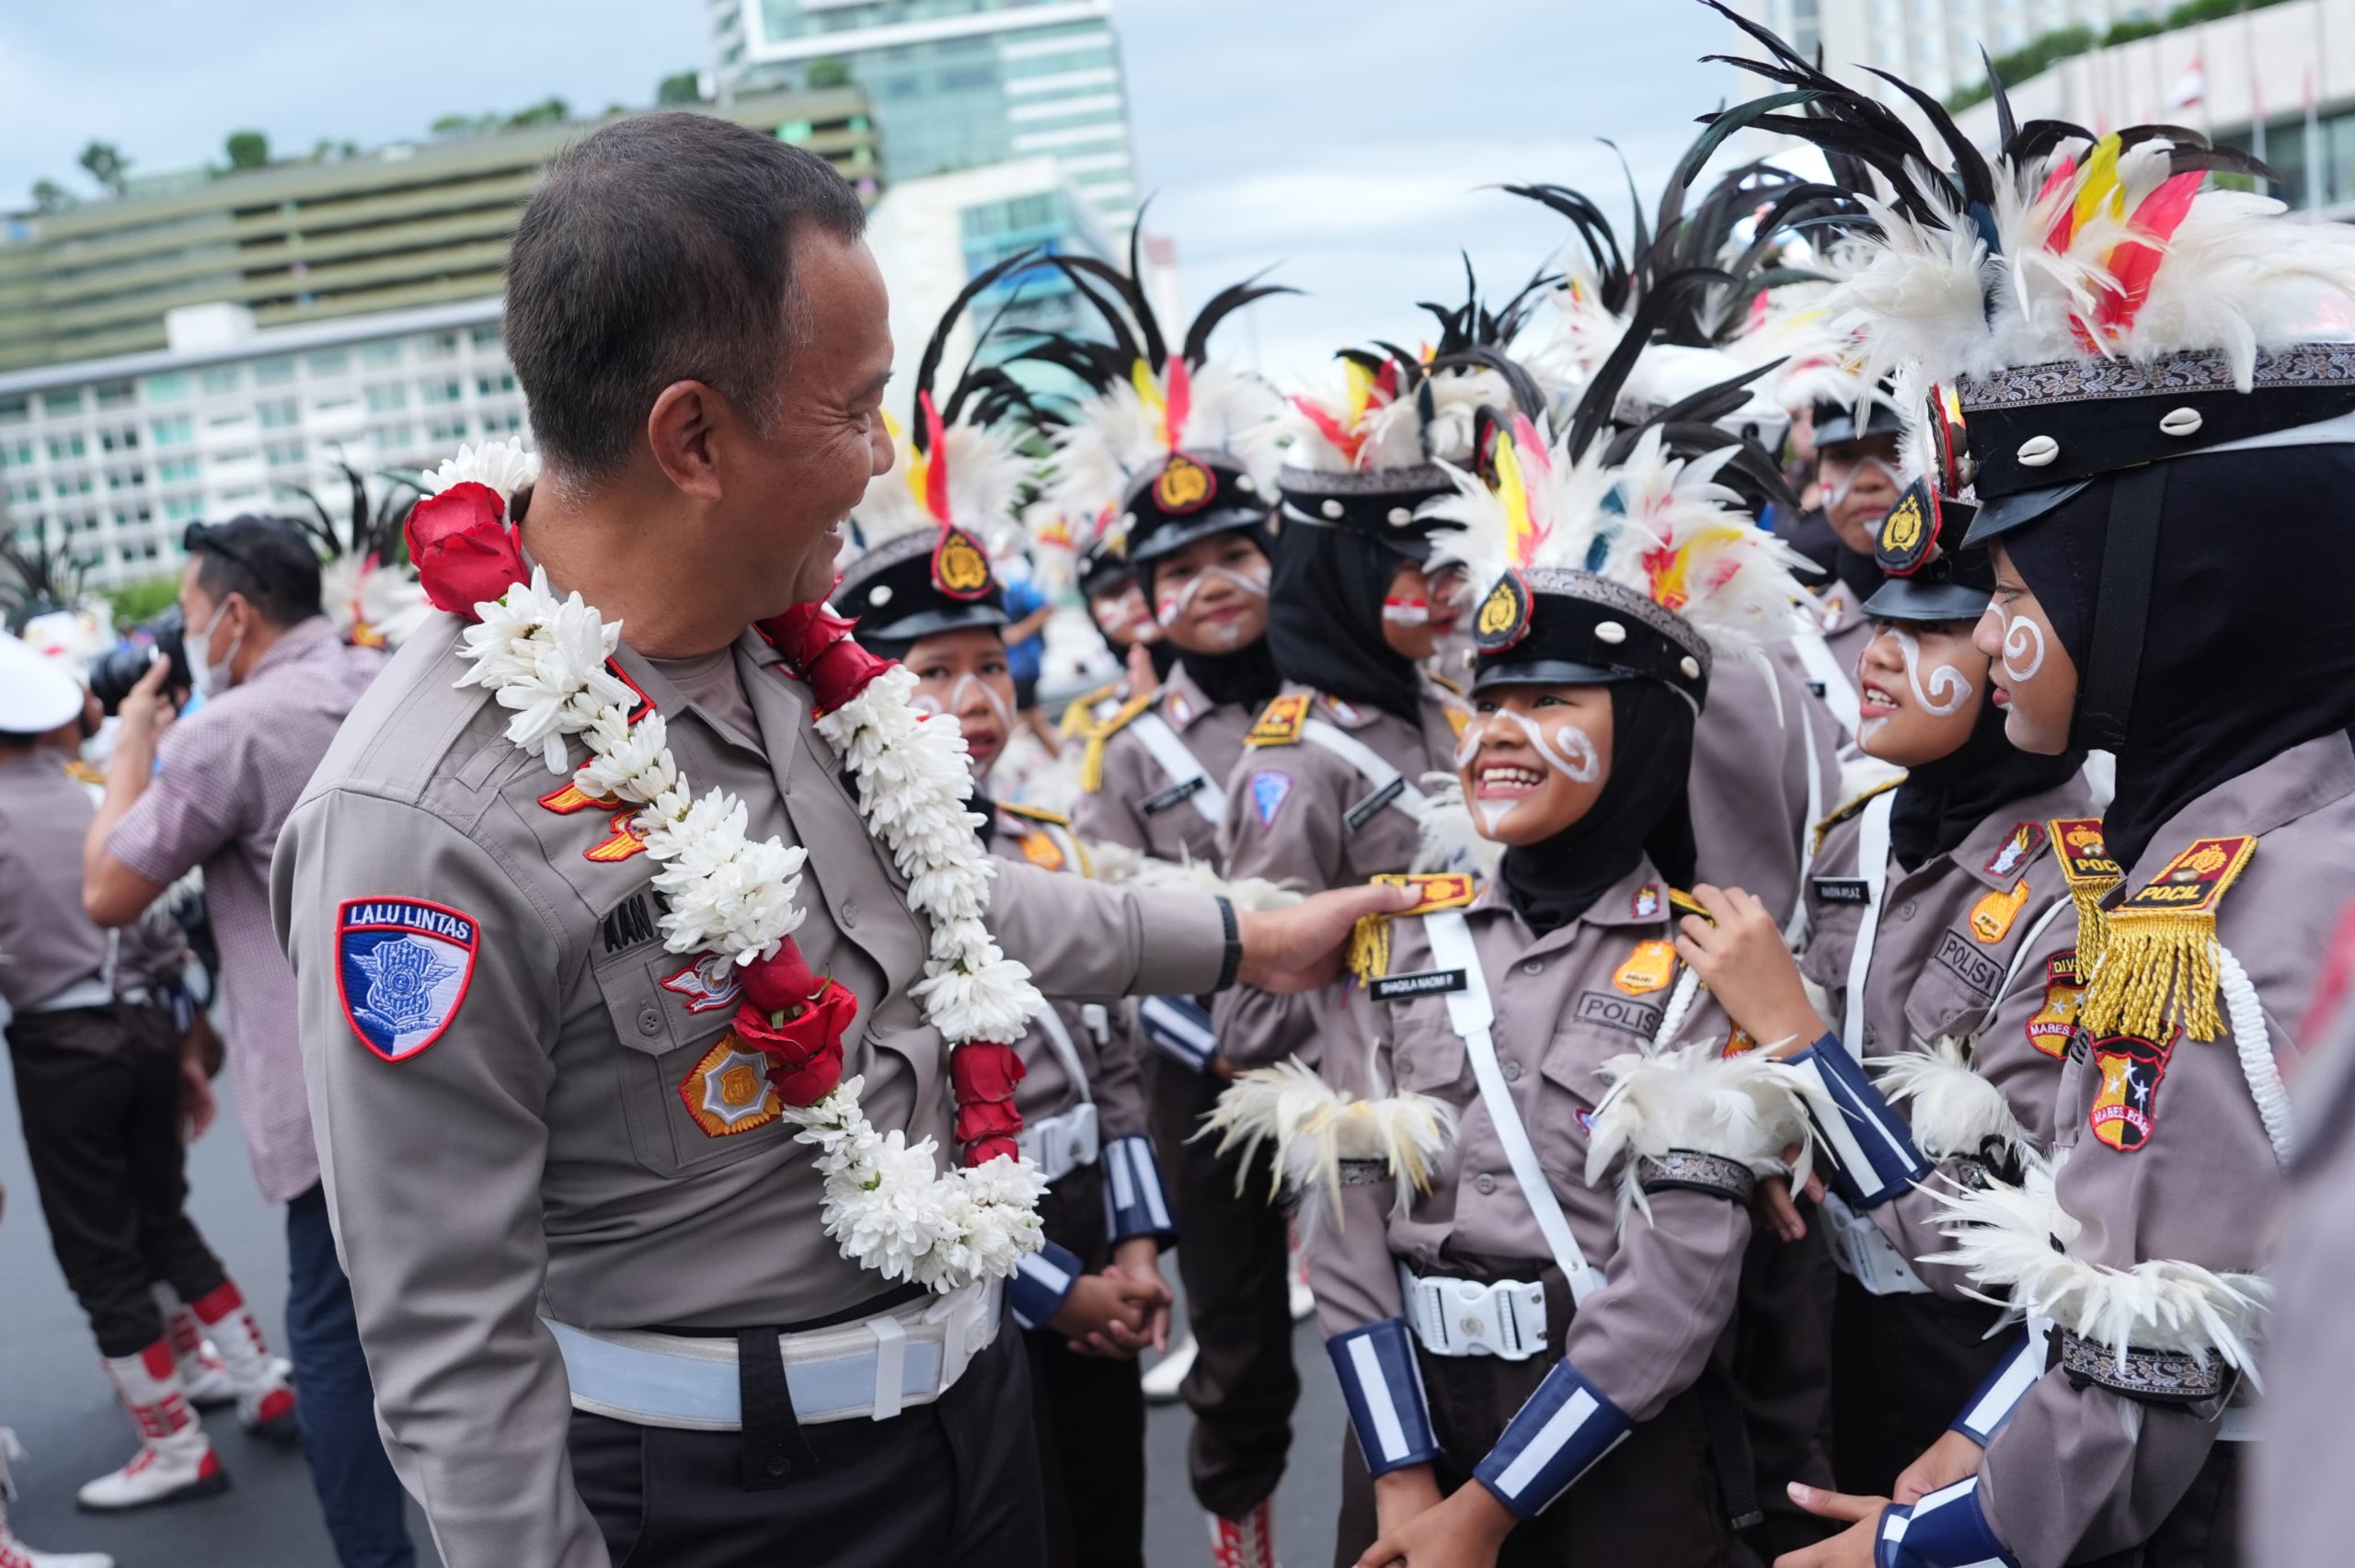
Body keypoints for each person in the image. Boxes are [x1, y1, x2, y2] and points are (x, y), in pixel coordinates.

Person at [265, 112, 1392, 1568]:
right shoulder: (419, 828)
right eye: (854, 409)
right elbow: (446, 1348)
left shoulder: (787, 657)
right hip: (734, 1504)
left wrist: (1243, 932)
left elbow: (950, 911)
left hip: (974, 1420)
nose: (878, 461)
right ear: (694, 439)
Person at [1706, 16, 2355, 1562]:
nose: (1985, 631)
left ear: (2173, 589)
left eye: (2009, 579)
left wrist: (1903, 1549)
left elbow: (2150, 1358)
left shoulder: (2195, 923)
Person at [1219, 409, 1821, 1568]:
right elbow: (1344, 1216)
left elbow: (1677, 1285)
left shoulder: (1714, 960)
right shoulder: (1402, 934)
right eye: (1489, 701)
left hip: (1610, 1451)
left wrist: (1482, 1514)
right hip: (1412, 1433)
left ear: (1643, 733)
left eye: (1553, 703)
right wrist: (1403, 1484)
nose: (1500, 733)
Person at [1676, 437, 2095, 1497]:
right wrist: (1772, 1127)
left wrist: (1798, 1045)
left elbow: (2013, 1240)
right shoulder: (1856, 829)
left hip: (1991, 1352)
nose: (1876, 652)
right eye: (1879, 618)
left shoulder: (2084, 885)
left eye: (1934, 626)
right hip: (1843, 1310)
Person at [828, 298, 1177, 1567]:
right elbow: (869, 1144)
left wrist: (1133, 1248)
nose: (977, 701)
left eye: (992, 664)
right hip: (971, 1286)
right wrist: (1057, 1293)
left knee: (1116, 1532)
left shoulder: (1048, 847)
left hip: (1094, 1234)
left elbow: (1120, 1065)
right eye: (935, 671)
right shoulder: (845, 890)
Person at [76, 517, 413, 1566]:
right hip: (460, 1061)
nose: (184, 639)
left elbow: (108, 888)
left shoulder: (232, 732)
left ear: (233, 614)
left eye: (185, 616)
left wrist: (136, 733)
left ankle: (376, 1554)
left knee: (331, 1339)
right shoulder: (394, 676)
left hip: (332, 1092)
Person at [1035, 253, 1300, 1562]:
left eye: (1239, 551)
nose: (1214, 583)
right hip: (1207, 1075)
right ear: (1140, 596)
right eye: (1181, 566)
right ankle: (1240, 1532)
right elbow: (1107, 941)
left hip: (1372, 1058)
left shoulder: (1350, 713)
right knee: (1243, 1342)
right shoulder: (1124, 749)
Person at [0, 633, 296, 1511]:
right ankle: (256, 1376)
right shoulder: (90, 796)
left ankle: (174, 1443)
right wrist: (188, 1051)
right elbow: (161, 926)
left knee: (101, 1256)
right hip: (145, 1029)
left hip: (63, 1047)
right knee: (163, 1217)